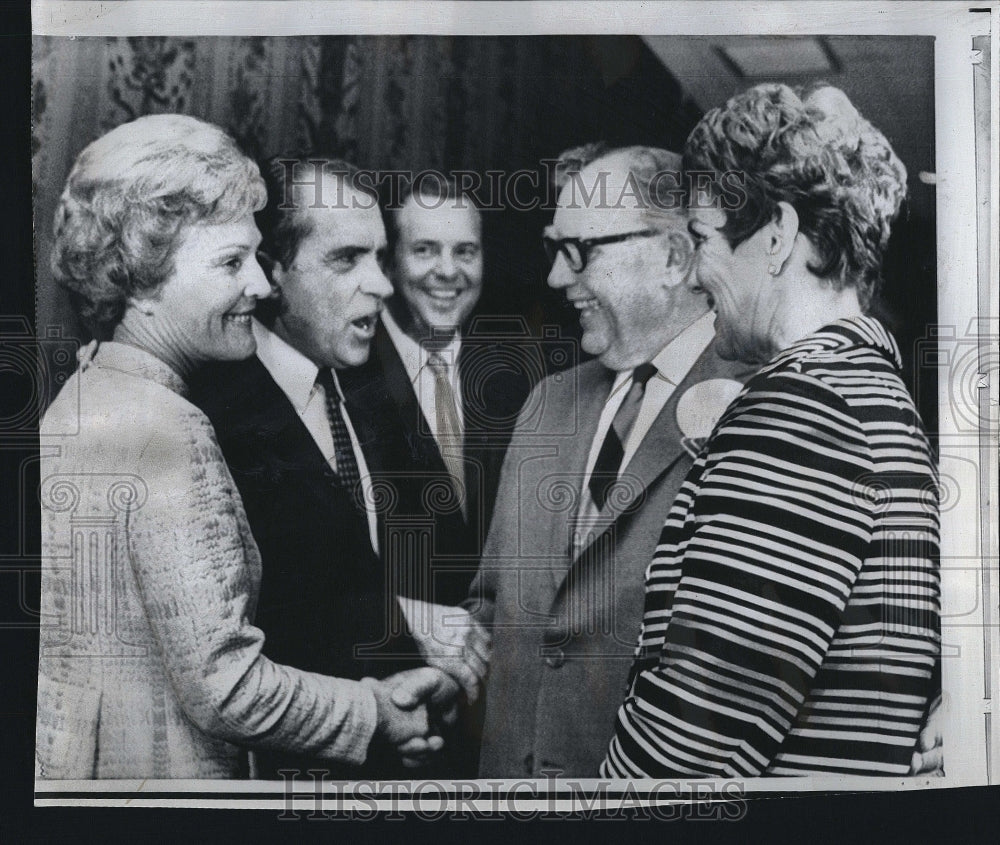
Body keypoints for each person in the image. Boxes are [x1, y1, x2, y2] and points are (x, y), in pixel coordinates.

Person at [37, 115, 454, 780]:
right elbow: (226, 688)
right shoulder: (172, 427)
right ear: (140, 281)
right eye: (232, 262)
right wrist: (378, 712)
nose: (260, 287)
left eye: (256, 258)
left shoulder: (82, 395)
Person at [602, 83, 940, 777]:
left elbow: (689, 748)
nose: (695, 275)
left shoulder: (806, 408)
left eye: (702, 238)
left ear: (778, 235)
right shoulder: (871, 394)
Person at [420, 145, 754, 778]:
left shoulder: (759, 405)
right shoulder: (550, 401)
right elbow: (494, 606)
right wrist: (439, 682)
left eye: (581, 251)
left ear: (675, 258)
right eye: (553, 246)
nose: (554, 277)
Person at [188, 155, 459, 779]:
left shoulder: (371, 385)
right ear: (272, 273)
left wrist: (424, 682)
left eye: (381, 258)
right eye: (346, 260)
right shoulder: (209, 411)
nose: (384, 285)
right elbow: (242, 635)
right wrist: (405, 626)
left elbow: (415, 556)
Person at [341, 177, 530, 611]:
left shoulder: (515, 378)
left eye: (465, 252)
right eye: (424, 250)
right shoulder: (343, 374)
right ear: (387, 264)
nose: (448, 271)